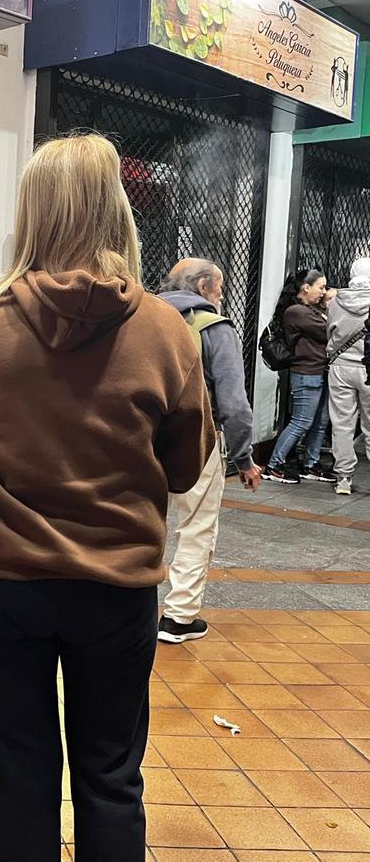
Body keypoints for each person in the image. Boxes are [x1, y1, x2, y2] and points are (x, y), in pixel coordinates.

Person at [0, 134, 214, 861]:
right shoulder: (167, 332)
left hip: (3, 587)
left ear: (32, 214)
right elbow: (187, 466)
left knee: (22, 766)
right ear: (116, 213)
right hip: (117, 589)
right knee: (110, 774)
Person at [155, 258, 260, 643]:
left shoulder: (142, 318)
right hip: (196, 438)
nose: (221, 294)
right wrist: (244, 459)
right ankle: (179, 617)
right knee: (196, 524)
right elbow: (234, 405)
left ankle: (133, 601)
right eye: (219, 287)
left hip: (141, 438)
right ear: (202, 286)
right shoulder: (214, 328)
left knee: (145, 519)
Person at [264, 269, 337, 484]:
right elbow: (330, 332)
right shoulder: (297, 311)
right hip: (306, 373)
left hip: (319, 372)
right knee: (302, 422)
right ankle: (274, 465)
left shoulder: (310, 309)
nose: (323, 293)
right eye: (321, 287)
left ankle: (310, 464)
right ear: (306, 287)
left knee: (320, 423)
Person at [328, 258, 370, 496]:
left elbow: (330, 332)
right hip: (368, 367)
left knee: (342, 423)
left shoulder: (337, 300)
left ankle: (343, 477)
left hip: (340, 366)